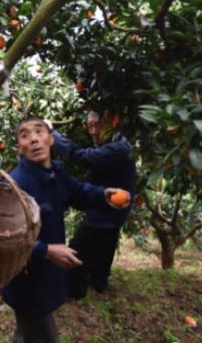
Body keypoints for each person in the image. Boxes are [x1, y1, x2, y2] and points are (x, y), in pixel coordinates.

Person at [0, 117, 130, 343]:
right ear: (19, 149)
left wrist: (104, 195)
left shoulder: (57, 173)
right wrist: (46, 251)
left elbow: (78, 192)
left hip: (47, 278)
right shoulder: (14, 186)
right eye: (24, 135)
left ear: (51, 139)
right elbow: (5, 240)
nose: (33, 139)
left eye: (39, 132)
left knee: (26, 333)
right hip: (26, 283)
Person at [47, 111, 136, 298]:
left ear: (112, 124)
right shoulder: (114, 143)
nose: (93, 131)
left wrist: (52, 134)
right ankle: (99, 282)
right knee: (106, 244)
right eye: (90, 126)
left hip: (107, 211)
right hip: (110, 209)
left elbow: (81, 157)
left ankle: (73, 290)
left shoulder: (118, 148)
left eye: (98, 125)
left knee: (77, 248)